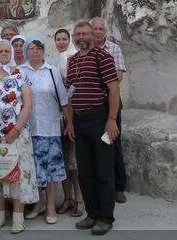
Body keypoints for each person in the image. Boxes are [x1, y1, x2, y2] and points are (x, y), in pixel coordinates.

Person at [65, 21, 120, 236]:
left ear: (92, 35)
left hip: (100, 120)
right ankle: (92, 213)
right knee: (85, 171)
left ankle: (105, 218)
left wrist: (112, 119)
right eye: (77, 34)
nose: (81, 37)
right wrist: (70, 122)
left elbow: (114, 89)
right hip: (80, 122)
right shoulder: (73, 61)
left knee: (104, 170)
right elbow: (70, 94)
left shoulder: (102, 57)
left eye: (84, 33)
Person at [0, 46, 38, 233]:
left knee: (19, 172)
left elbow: (27, 104)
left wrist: (16, 129)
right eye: (1, 51)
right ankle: (0, 215)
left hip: (17, 135)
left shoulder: (21, 74)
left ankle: (18, 218)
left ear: (12, 53)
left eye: (7, 51)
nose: (4, 54)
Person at [19, 39, 70, 224]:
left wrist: (69, 123)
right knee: (33, 169)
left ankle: (50, 206)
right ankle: (39, 203)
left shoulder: (52, 71)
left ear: (43, 51)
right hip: (27, 128)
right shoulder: (20, 71)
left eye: (38, 48)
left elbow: (63, 100)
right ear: (26, 52)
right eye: (31, 48)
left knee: (51, 169)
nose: (34, 52)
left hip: (49, 127)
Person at [91, 17, 128, 204]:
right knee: (98, 144)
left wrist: (96, 81)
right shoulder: (85, 50)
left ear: (105, 30)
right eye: (94, 28)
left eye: (100, 29)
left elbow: (118, 76)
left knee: (113, 141)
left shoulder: (114, 48)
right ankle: (103, 185)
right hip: (93, 105)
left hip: (110, 102)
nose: (98, 31)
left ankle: (119, 186)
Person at [53, 28, 83, 217]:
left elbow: (74, 87)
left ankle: (79, 200)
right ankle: (67, 198)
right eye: (59, 39)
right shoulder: (57, 60)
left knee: (74, 162)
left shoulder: (74, 58)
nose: (62, 42)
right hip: (58, 118)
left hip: (73, 115)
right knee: (64, 162)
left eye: (65, 39)